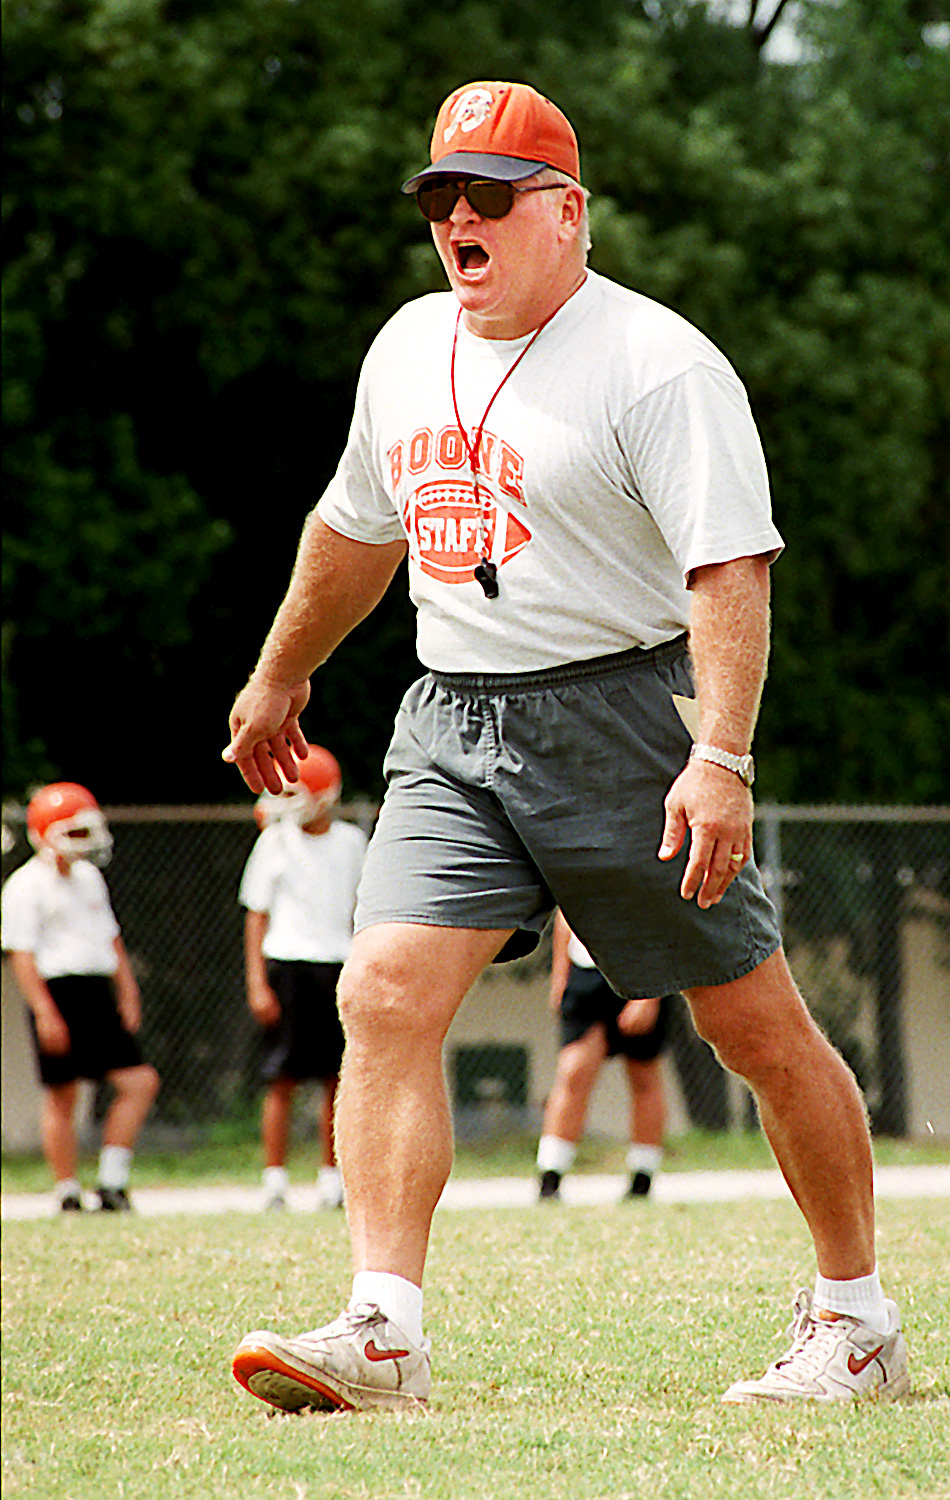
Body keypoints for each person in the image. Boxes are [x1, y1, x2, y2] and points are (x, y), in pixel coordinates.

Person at [224, 80, 909, 1411]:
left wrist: (721, 755)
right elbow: (357, 530)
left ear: (567, 212)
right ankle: (383, 1329)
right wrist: (280, 671)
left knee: (753, 1030)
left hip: (623, 720)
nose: (457, 221)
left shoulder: (657, 361)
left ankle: (856, 1318)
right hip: (452, 715)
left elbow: (728, 571)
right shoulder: (406, 346)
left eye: (489, 197)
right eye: (439, 200)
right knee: (379, 996)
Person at [1, 782, 160, 1212]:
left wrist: (127, 990)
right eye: (72, 833)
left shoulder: (90, 878)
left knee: (139, 1081)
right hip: (58, 991)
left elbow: (112, 939)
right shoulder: (24, 886)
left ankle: (112, 1180)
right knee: (62, 1094)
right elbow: (23, 955)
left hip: (96, 988)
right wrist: (45, 1012)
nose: (83, 843)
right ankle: (66, 1189)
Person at [238, 744, 367, 1212]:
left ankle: (332, 1179)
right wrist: (257, 982)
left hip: (337, 964)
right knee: (282, 1079)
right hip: (288, 965)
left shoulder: (352, 841)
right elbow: (256, 914)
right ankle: (275, 1179)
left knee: (338, 1080)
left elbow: (361, 909)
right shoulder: (274, 841)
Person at [537, 912, 673, 1202]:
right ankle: (550, 1176)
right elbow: (566, 908)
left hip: (641, 968)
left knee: (643, 1075)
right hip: (586, 972)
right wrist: (561, 973)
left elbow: (664, 912)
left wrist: (651, 995)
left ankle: (642, 1177)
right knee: (574, 1071)